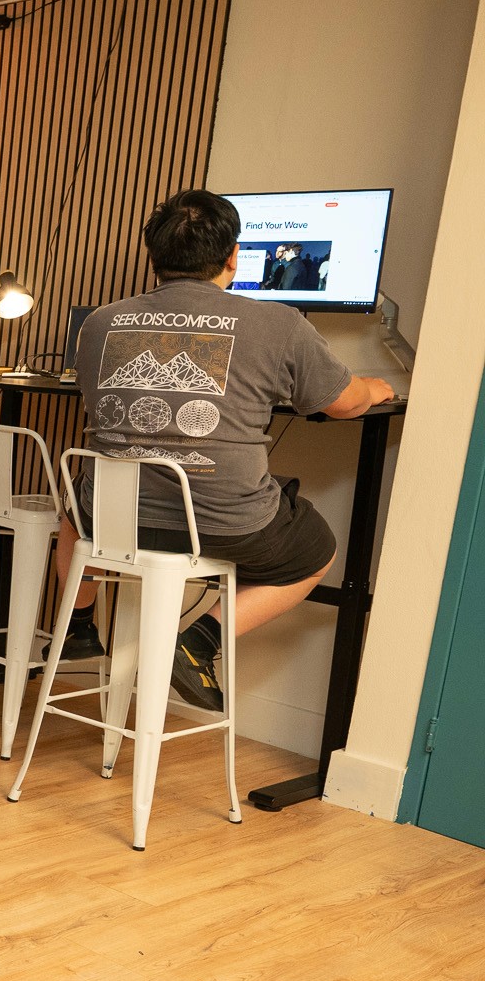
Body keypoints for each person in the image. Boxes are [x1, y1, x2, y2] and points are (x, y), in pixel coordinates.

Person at [61, 189, 394, 709]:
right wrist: (376, 387)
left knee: (74, 501)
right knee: (317, 551)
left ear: (154, 254)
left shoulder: (100, 322)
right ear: (234, 256)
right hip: (224, 527)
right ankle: (201, 639)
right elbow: (345, 403)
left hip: (111, 521)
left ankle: (78, 626)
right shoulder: (280, 323)